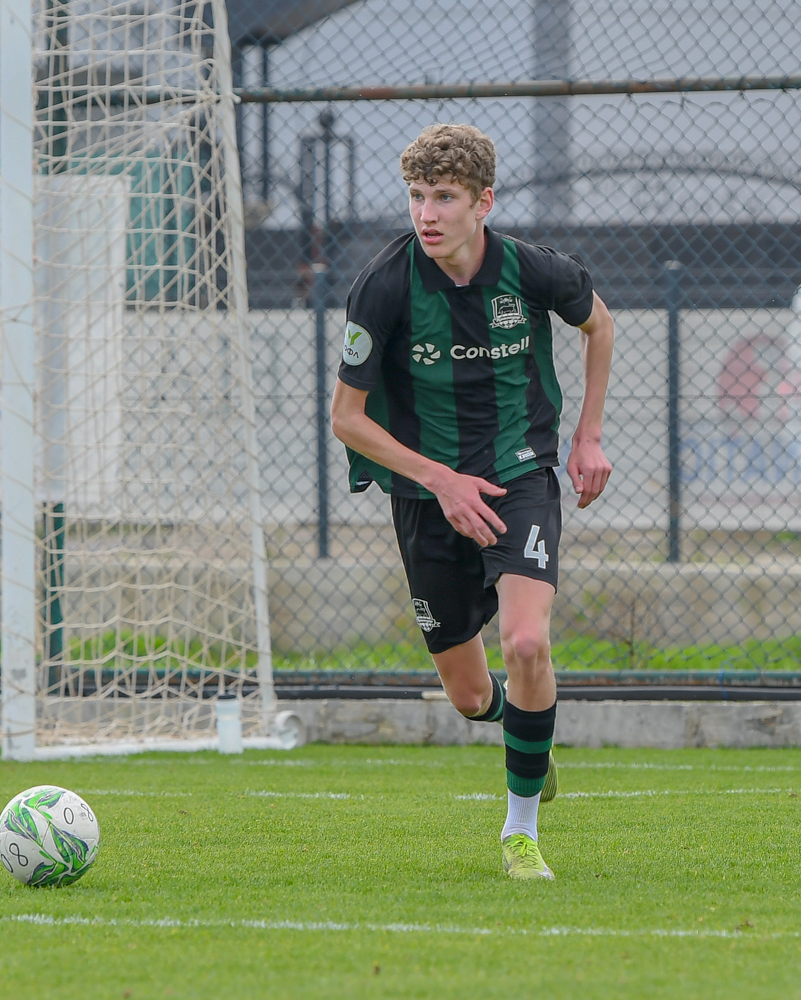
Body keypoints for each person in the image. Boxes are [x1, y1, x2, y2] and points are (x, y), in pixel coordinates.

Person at [330, 123, 614, 880]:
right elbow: (347, 419)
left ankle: (520, 832)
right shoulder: (384, 285)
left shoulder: (531, 269)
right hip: (427, 495)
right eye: (417, 196)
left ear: (483, 202)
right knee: (466, 695)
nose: (427, 214)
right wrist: (440, 479)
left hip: (520, 476)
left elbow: (599, 323)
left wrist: (587, 437)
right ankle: (527, 732)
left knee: (526, 644)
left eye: (444, 198)